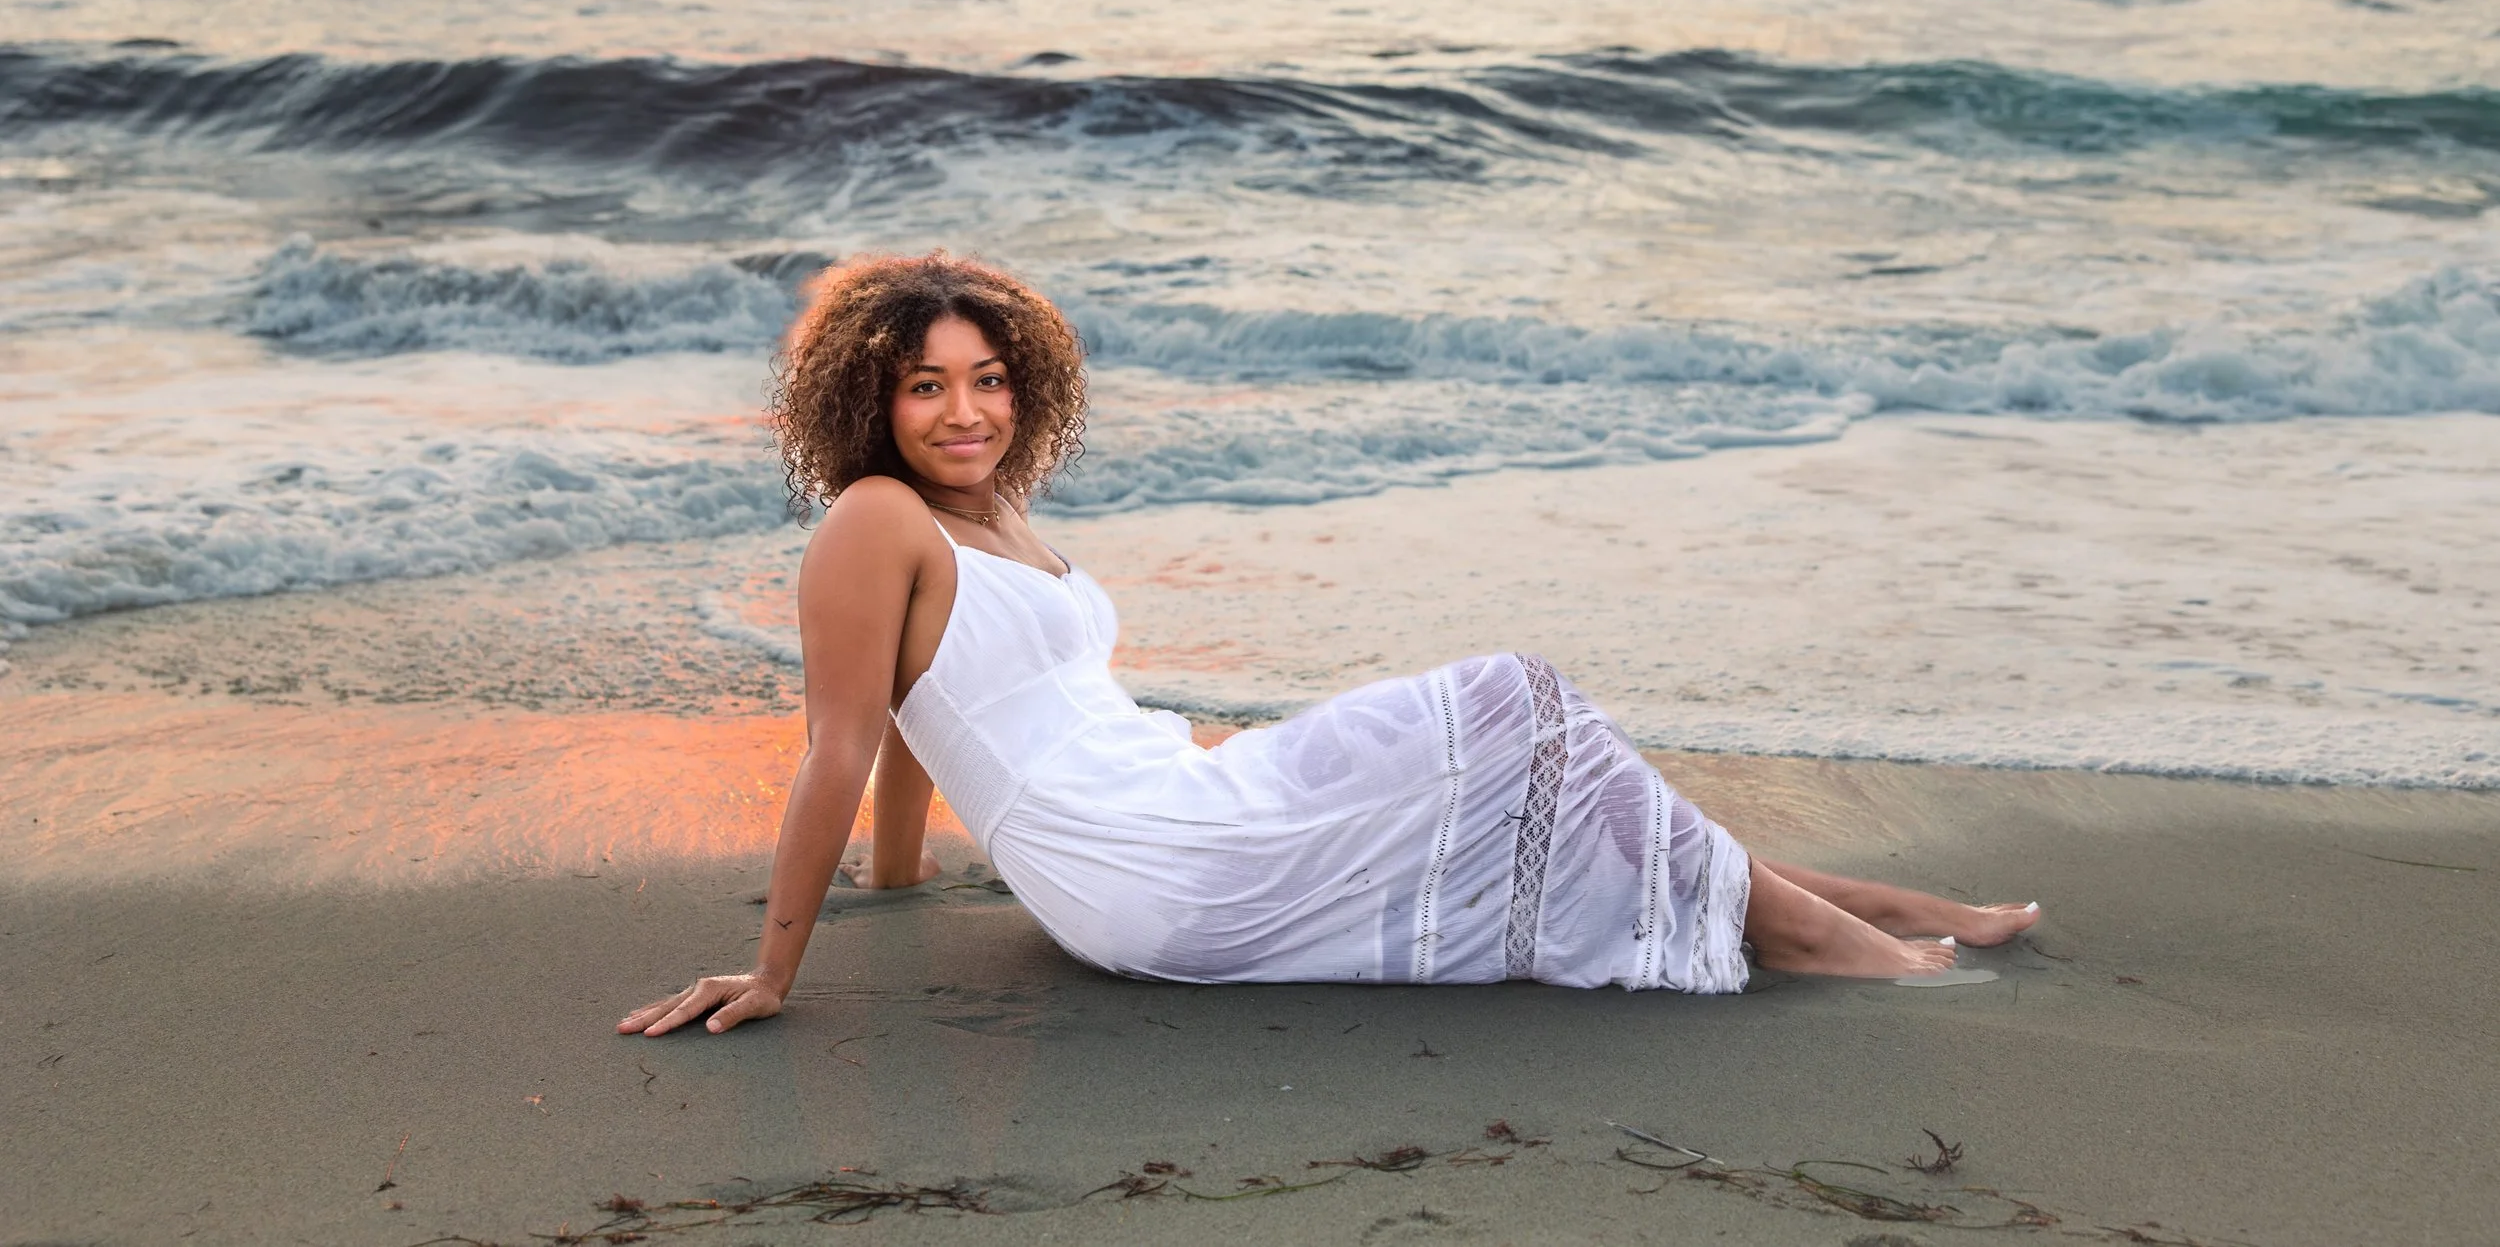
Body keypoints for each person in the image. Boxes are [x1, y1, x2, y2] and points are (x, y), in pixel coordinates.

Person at [622, 253, 2038, 1039]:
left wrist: (904, 875)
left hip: (1181, 795)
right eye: (926, 386)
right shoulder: (871, 517)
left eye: (987, 379)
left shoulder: (981, 510)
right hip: (1146, 861)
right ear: (871, 396)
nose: (965, 410)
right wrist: (777, 970)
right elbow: (846, 740)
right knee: (1518, 702)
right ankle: (1863, 945)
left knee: (1559, 744)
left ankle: (1886, 909)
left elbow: (935, 707)